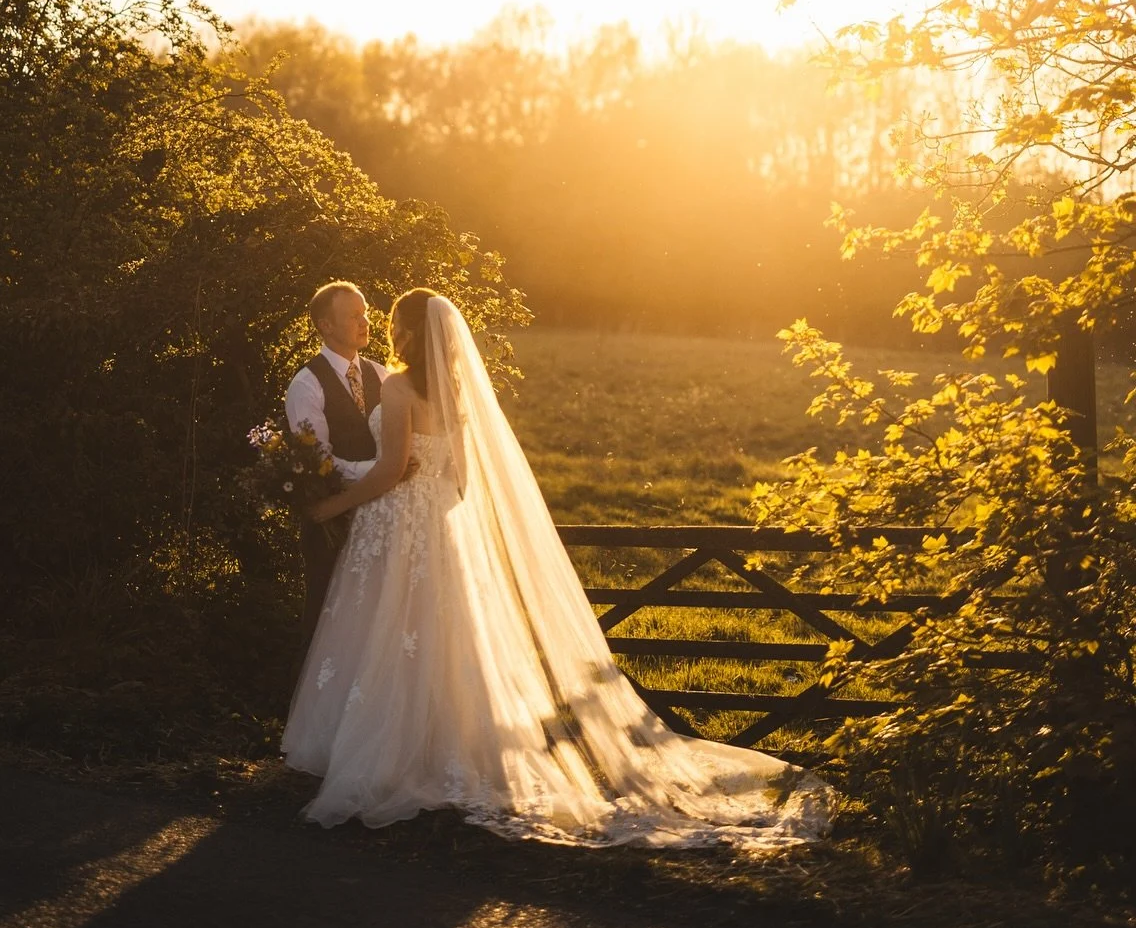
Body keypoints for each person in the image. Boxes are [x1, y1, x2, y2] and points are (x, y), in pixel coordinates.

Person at [283, 288, 830, 850]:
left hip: (395, 526)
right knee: (442, 638)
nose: (384, 330)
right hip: (440, 527)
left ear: (408, 333)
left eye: (391, 323)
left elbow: (390, 471)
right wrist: (440, 519)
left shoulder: (396, 386)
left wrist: (333, 506)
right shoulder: (455, 390)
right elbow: (464, 477)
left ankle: (385, 756)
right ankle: (446, 752)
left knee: (387, 634)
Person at [283, 281, 388, 659]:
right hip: (331, 525)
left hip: (382, 520)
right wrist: (381, 472)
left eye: (365, 314)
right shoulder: (306, 384)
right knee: (326, 626)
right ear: (326, 326)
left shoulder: (384, 376)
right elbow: (317, 463)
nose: (364, 322)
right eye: (353, 316)